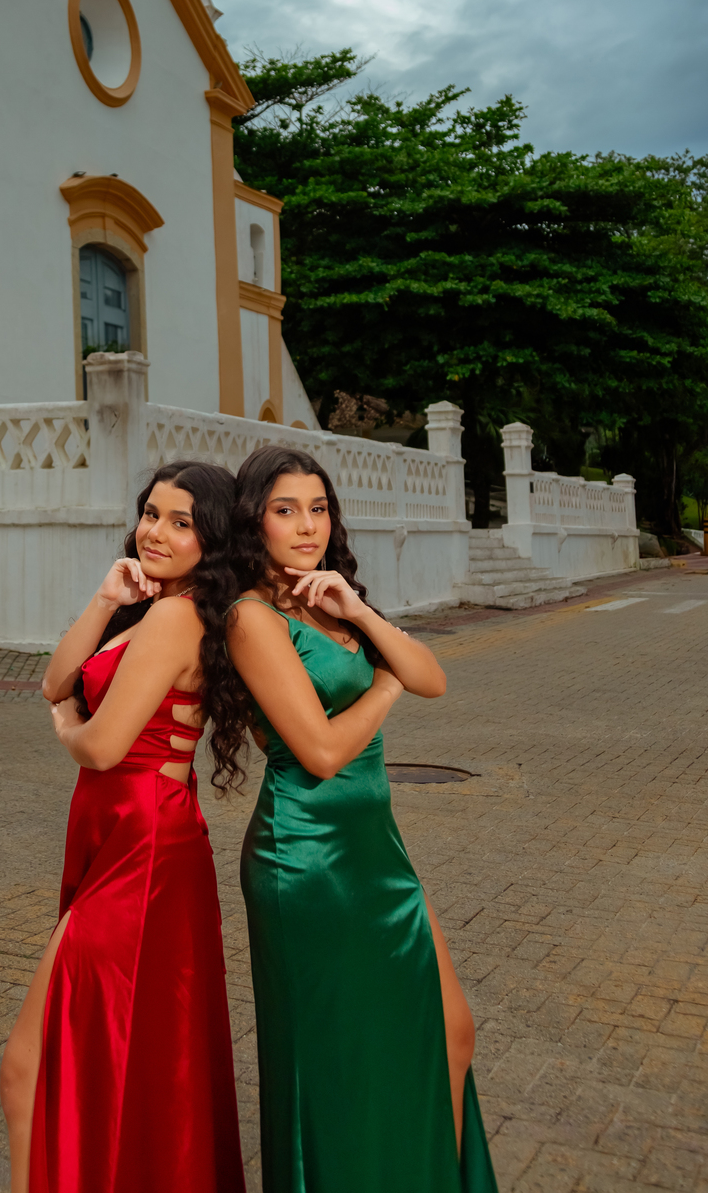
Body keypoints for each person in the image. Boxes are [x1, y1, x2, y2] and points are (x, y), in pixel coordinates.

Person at [227, 444, 499, 1193]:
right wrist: (383, 689)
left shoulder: (326, 598)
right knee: (338, 1068)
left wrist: (356, 611)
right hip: (307, 857)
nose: (307, 526)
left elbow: (432, 678)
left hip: (376, 849)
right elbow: (318, 752)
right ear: (254, 520)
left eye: (318, 509)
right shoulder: (250, 616)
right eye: (286, 510)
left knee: (451, 1033)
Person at [0, 460, 249, 1193]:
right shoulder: (152, 606)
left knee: (27, 1069)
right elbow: (54, 680)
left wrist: (67, 728)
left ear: (213, 539)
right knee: (123, 1062)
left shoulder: (176, 616)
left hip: (141, 848)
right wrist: (107, 598)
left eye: (181, 522)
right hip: (123, 835)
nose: (156, 533)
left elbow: (102, 745)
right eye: (150, 514)